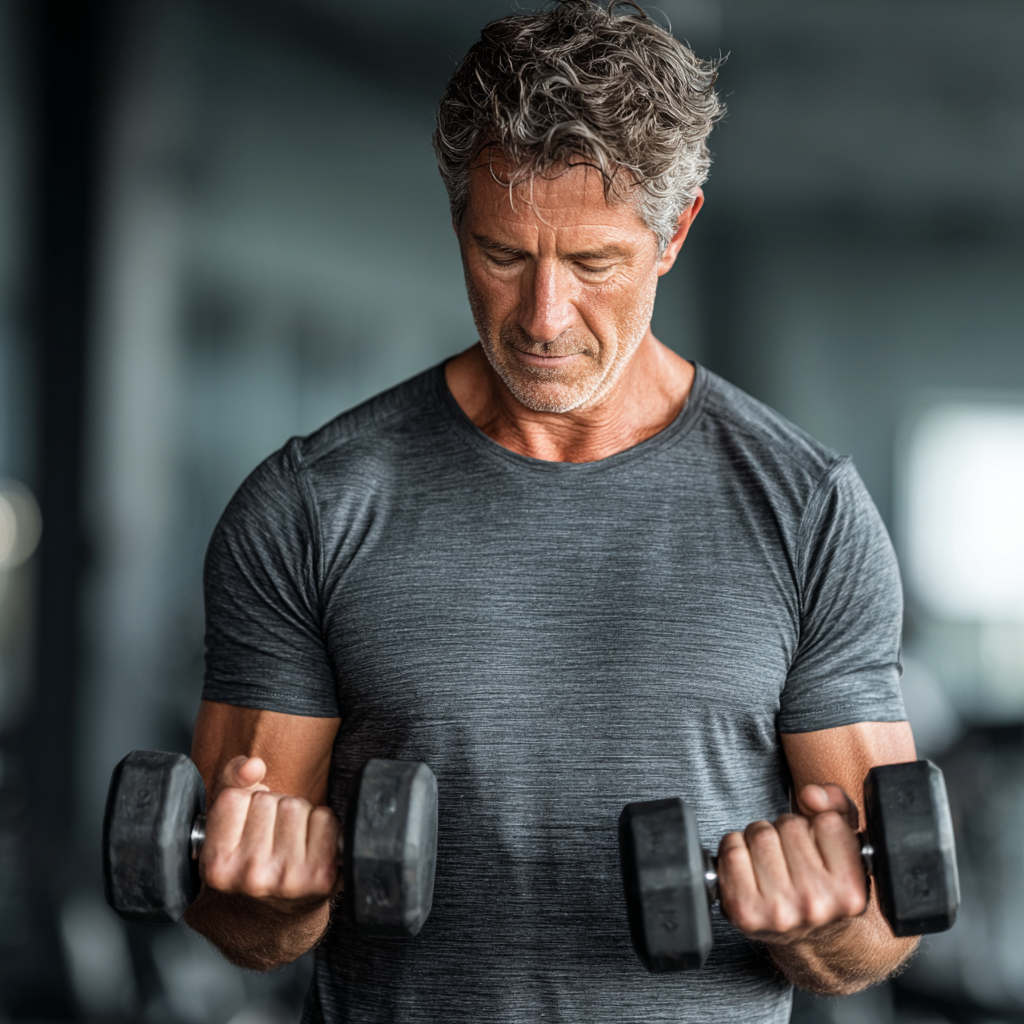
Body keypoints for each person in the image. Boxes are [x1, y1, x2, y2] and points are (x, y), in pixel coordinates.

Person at [184, 2, 918, 1021]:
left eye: (591, 264)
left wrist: (820, 922)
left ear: (675, 232)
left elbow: (886, 919)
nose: (541, 318)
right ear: (456, 219)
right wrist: (274, 889)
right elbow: (236, 915)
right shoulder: (312, 505)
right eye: (501, 254)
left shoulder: (807, 511)